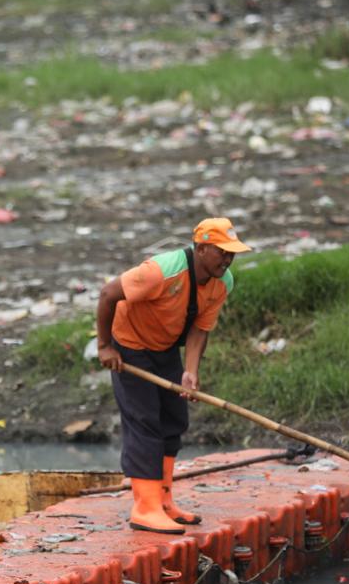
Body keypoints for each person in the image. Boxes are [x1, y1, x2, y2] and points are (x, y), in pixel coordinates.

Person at [95, 218, 250, 534]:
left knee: (174, 418)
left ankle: (164, 501)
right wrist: (104, 346)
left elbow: (200, 329)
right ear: (201, 248)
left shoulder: (223, 282)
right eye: (222, 252)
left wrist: (190, 371)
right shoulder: (161, 271)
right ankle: (145, 508)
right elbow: (108, 293)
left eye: (231, 253)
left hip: (165, 346)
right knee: (144, 421)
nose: (227, 259)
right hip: (130, 345)